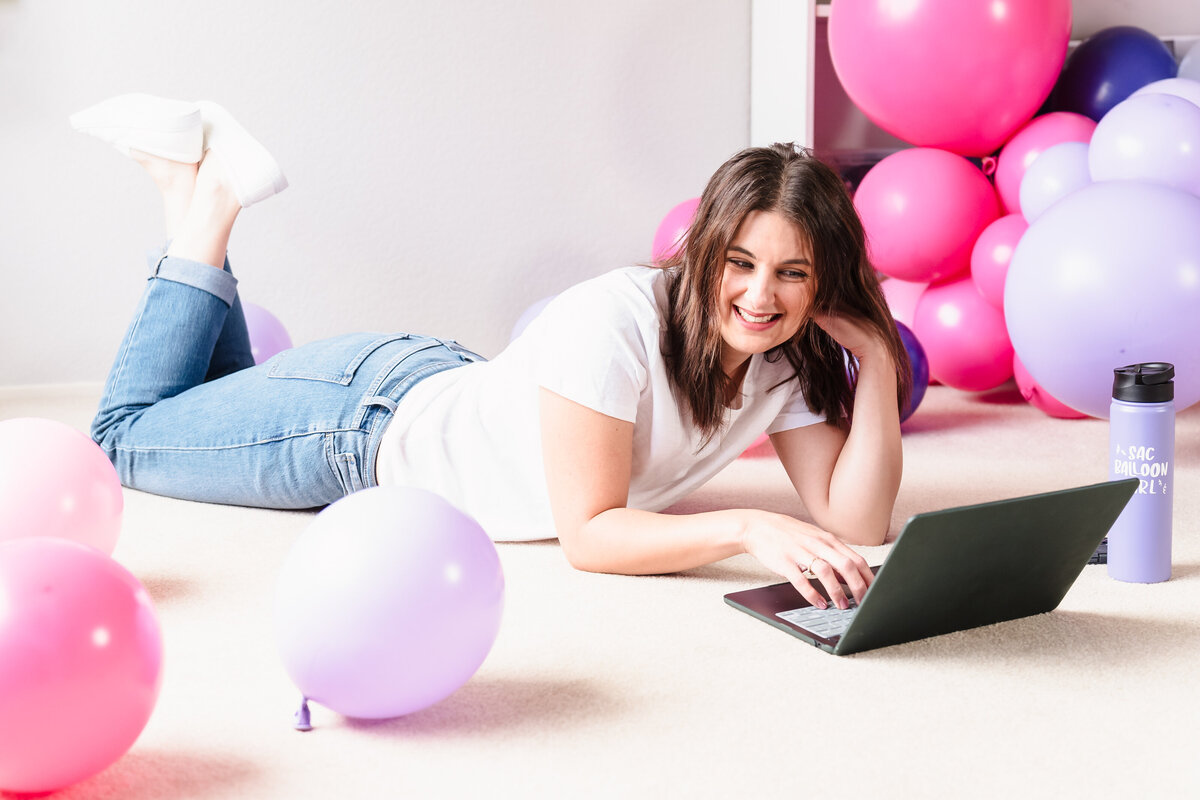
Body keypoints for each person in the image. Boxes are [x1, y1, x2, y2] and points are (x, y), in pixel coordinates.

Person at [74, 94, 911, 612]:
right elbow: (590, 536)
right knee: (123, 437)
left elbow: (857, 521)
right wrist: (750, 526)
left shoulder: (784, 355)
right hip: (357, 433)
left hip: (432, 385)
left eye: (791, 274)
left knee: (209, 397)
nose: (761, 296)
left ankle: (185, 192)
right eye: (740, 263)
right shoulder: (615, 320)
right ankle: (212, 198)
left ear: (821, 284)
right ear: (706, 252)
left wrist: (875, 356)